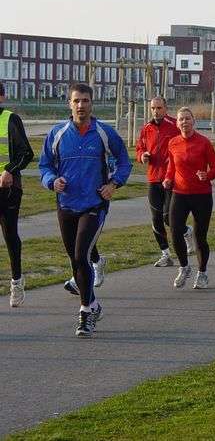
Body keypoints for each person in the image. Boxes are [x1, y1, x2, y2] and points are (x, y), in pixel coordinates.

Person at [39, 83, 132, 337]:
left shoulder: (104, 133)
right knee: (75, 260)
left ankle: (85, 313)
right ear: (69, 103)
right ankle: (93, 304)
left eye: (86, 101)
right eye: (76, 101)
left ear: (92, 103)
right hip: (66, 204)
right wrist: (51, 181)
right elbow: (45, 165)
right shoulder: (57, 133)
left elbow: (124, 161)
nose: (81, 105)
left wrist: (114, 184)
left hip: (94, 204)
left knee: (82, 255)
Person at [163, 107, 215, 290]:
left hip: (201, 195)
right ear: (177, 122)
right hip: (179, 193)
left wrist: (207, 175)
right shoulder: (173, 143)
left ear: (193, 121)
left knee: (200, 236)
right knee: (175, 231)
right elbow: (172, 166)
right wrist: (167, 179)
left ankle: (202, 272)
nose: (184, 122)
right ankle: (184, 267)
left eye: (187, 119)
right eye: (181, 119)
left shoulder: (204, 143)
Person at [135, 97, 195, 268]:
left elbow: (186, 142)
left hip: (172, 179)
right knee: (156, 219)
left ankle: (186, 231)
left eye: (159, 107)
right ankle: (165, 254)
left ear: (165, 108)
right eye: (153, 108)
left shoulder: (175, 124)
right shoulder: (146, 128)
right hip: (153, 178)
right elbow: (139, 148)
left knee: (169, 218)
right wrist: (142, 156)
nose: (156, 111)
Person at [0, 85, 34, 307]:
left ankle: (16, 281)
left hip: (8, 188)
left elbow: (27, 153)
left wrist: (9, 170)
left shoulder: (10, 119)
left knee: (10, 234)